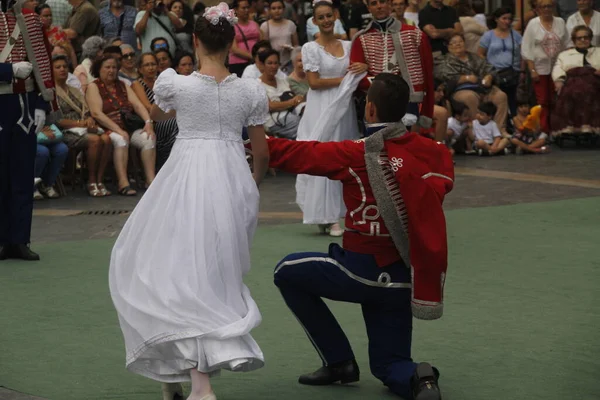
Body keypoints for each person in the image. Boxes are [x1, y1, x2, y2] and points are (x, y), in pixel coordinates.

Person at [109, 3, 270, 400]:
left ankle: (195, 381)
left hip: (185, 174)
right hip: (231, 174)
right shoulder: (249, 89)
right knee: (211, 271)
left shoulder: (176, 84)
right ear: (232, 42)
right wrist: (252, 182)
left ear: (195, 41)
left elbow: (159, 111)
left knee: (174, 265)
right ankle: (182, 375)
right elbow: (262, 152)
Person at [260, 72, 451, 400]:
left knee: (286, 272)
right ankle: (421, 377)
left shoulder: (357, 154)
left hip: (361, 272)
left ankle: (339, 362)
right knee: (390, 366)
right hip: (405, 279)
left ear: (370, 111)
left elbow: (295, 154)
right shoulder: (431, 152)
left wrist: (245, 138)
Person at [295, 0, 367, 237]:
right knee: (323, 154)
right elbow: (314, 83)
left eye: (329, 16)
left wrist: (361, 68)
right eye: (321, 18)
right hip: (320, 108)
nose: (326, 21)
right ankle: (324, 215)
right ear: (314, 21)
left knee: (343, 156)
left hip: (343, 108)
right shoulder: (309, 48)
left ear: (335, 16)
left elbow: (361, 69)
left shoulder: (348, 45)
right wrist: (346, 79)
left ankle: (342, 212)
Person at [0, 0, 55, 261]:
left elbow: (43, 61)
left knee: (23, 174)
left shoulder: (30, 19)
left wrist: (43, 103)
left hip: (26, 105)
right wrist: (8, 70)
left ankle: (20, 240)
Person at [351, 0, 435, 132]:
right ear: (368, 8)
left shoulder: (415, 35)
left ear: (390, 4)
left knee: (402, 146)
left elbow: (427, 75)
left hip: (405, 103)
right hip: (374, 102)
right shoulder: (361, 39)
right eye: (374, 3)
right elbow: (356, 76)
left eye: (383, 2)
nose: (379, 6)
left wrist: (424, 109)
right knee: (376, 148)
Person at [86, 55, 156, 195]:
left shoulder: (123, 85)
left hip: (127, 127)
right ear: (99, 69)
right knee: (121, 139)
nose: (111, 71)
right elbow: (97, 113)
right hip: (106, 129)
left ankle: (151, 181)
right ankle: (123, 183)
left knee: (148, 138)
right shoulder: (94, 86)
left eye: (114, 67)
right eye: (107, 67)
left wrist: (148, 122)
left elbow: (137, 105)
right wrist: (118, 129)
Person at [53, 55, 113, 197]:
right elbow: (56, 120)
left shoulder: (74, 89)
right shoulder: (50, 92)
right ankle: (91, 181)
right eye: (58, 67)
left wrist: (89, 120)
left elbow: (86, 111)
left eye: (64, 66)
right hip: (64, 131)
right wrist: (80, 123)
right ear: (51, 70)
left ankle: (99, 180)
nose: (62, 69)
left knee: (106, 138)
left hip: (83, 128)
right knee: (95, 140)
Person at [436, 34, 511, 137]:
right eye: (454, 42)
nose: (458, 44)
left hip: (482, 87)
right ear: (448, 46)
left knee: (500, 96)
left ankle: (499, 131)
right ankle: (478, 132)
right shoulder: (444, 61)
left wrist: (489, 77)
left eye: (460, 41)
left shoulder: (475, 57)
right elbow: (443, 77)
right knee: (470, 97)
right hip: (459, 90)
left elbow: (490, 69)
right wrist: (465, 78)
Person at [521, 0, 568, 135]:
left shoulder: (560, 22)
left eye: (549, 6)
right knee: (543, 101)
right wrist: (532, 70)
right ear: (538, 9)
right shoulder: (533, 24)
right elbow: (526, 49)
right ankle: (544, 129)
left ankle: (556, 128)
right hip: (539, 68)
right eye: (543, 6)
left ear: (553, 7)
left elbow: (566, 44)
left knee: (556, 99)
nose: (546, 9)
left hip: (557, 68)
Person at [131, 52, 179, 170]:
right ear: (140, 69)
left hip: (168, 117)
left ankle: (176, 163)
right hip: (152, 122)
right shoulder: (137, 84)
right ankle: (166, 162)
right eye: (147, 65)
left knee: (181, 122)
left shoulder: (161, 82)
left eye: (153, 64)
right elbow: (148, 107)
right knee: (175, 124)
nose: (151, 68)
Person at [551, 25, 600, 138]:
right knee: (571, 91)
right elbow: (558, 68)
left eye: (586, 37)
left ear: (590, 38)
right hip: (571, 81)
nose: (583, 40)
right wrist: (558, 80)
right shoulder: (565, 55)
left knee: (587, 89)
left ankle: (588, 125)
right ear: (574, 40)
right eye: (579, 38)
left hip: (594, 81)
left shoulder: (598, 52)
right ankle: (569, 126)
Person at [478, 7, 523, 117]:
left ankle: (512, 122)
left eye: (509, 19)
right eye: (504, 18)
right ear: (496, 19)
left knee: (512, 100)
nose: (507, 21)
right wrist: (488, 69)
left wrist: (522, 70)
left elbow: (523, 53)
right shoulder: (488, 35)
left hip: (512, 73)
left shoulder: (516, 35)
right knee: (497, 100)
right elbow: (480, 54)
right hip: (495, 74)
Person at [259, 49, 303, 138]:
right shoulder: (257, 85)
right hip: (274, 120)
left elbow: (295, 98)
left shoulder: (283, 81)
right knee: (301, 125)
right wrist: (291, 102)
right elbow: (270, 106)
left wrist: (298, 99)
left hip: (291, 113)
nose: (273, 66)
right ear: (263, 65)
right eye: (270, 63)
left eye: (276, 63)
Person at [260, 0, 299, 73]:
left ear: (283, 9)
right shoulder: (264, 26)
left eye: (279, 8)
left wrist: (290, 48)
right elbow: (263, 48)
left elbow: (296, 46)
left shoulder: (290, 24)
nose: (277, 11)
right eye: (273, 8)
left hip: (289, 63)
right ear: (269, 10)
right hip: (272, 63)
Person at [229, 0, 262, 77]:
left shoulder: (254, 24)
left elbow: (262, 41)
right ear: (236, 10)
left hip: (255, 62)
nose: (246, 10)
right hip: (238, 63)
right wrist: (253, 56)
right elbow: (234, 49)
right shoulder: (232, 26)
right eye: (243, 8)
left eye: (248, 7)